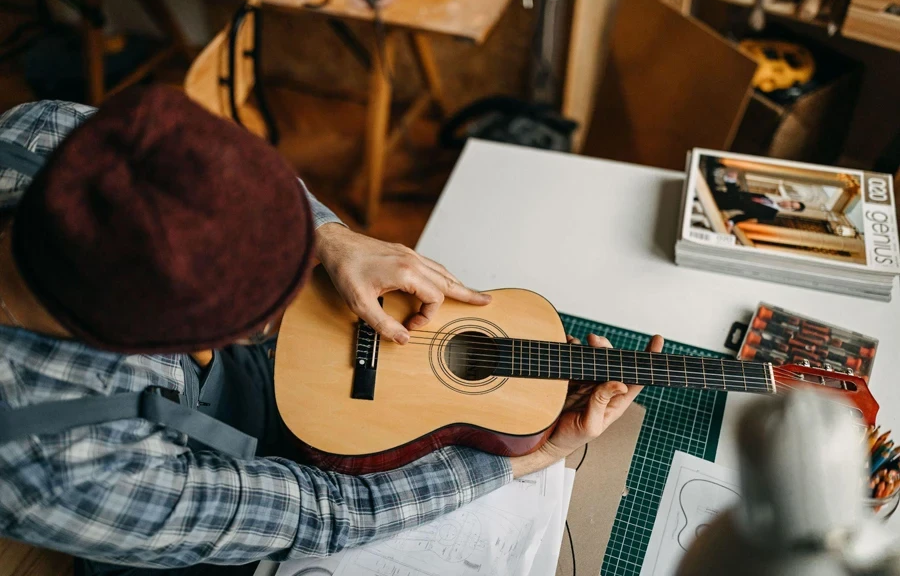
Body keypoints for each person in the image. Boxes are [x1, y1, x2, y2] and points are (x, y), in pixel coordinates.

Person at [0, 86, 659, 574]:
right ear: (159, 346)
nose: (294, 312)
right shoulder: (61, 465)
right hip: (158, 517)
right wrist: (525, 459)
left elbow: (240, 173)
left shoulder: (43, 133)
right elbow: (327, 513)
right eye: (261, 318)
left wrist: (329, 237)